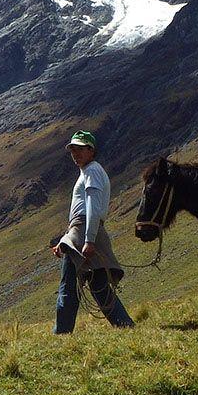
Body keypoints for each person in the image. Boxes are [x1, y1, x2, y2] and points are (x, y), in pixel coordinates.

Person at [52, 130, 135, 333]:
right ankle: (125, 326)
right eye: (73, 150)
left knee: (68, 286)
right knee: (99, 286)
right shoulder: (91, 171)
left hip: (84, 231)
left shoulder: (92, 171)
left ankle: (61, 333)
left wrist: (88, 240)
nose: (75, 154)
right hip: (85, 231)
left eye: (80, 149)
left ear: (91, 150)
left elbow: (92, 207)